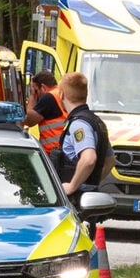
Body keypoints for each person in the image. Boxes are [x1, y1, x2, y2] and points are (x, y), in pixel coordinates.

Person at [51, 72, 115, 206]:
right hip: (88, 197)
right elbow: (110, 161)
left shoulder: (79, 124)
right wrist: (91, 181)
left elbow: (89, 159)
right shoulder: (96, 122)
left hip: (75, 199)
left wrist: (73, 185)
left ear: (61, 94)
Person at [22, 70, 67, 154]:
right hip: (62, 150)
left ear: (43, 87)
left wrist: (32, 95)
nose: (37, 94)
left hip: (53, 152)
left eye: (36, 90)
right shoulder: (61, 93)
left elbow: (28, 120)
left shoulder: (49, 98)